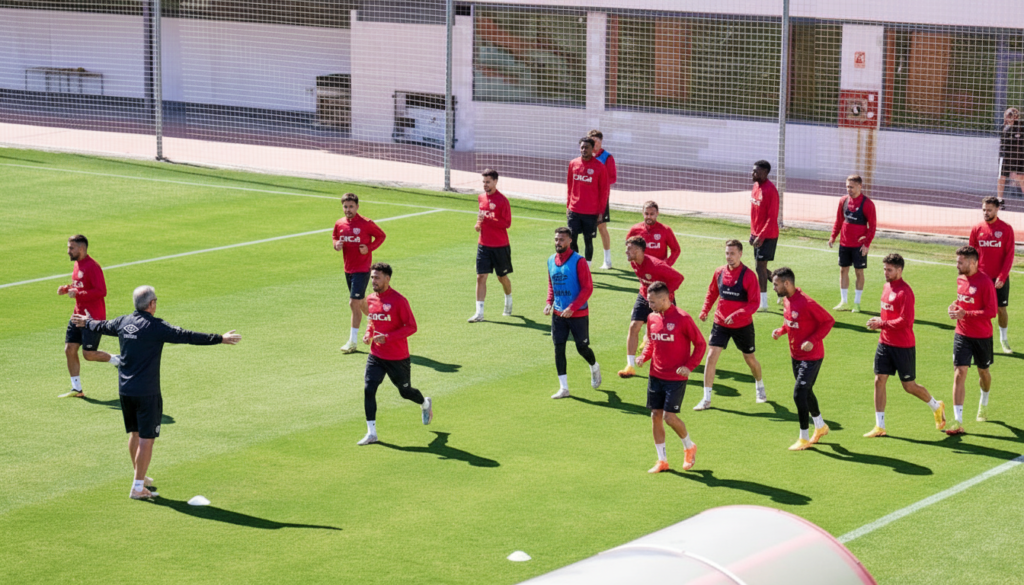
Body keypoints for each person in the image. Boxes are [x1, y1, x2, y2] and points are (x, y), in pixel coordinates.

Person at [70, 285, 241, 499]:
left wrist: (86, 322)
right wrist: (220, 338)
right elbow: (186, 335)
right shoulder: (155, 327)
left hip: (125, 390)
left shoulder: (123, 322)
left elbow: (101, 325)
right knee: (147, 438)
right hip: (147, 392)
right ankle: (138, 487)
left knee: (134, 434)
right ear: (151, 304)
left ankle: (138, 477)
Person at [863, 254, 946, 437]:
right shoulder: (886, 287)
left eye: (889, 270)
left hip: (903, 346)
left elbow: (906, 321)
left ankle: (936, 406)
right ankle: (880, 426)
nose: (886, 273)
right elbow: (888, 314)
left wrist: (881, 324)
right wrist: (880, 320)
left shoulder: (905, 292)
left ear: (899, 271)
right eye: (884, 269)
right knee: (879, 380)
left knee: (909, 386)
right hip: (884, 343)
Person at [358, 262, 433, 445]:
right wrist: (368, 334)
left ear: (387, 279)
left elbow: (412, 327)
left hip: (397, 357)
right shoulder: (370, 299)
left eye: (377, 277)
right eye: (372, 277)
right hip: (376, 355)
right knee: (369, 389)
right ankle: (371, 433)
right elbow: (372, 321)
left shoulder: (399, 301)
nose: (373, 280)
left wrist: (388, 337)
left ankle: (425, 403)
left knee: (405, 392)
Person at [637, 281, 705, 473]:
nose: (649, 305)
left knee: (669, 417)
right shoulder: (651, 318)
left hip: (675, 378)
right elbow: (651, 342)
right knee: (655, 415)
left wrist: (689, 367)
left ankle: (689, 446)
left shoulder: (683, 318)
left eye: (652, 301)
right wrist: (644, 356)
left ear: (665, 299)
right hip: (655, 375)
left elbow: (700, 344)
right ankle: (662, 460)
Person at [695, 239, 765, 411]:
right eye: (727, 253)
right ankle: (706, 399)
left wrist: (738, 314)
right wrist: (705, 311)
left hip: (742, 325)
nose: (729, 257)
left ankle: (759, 385)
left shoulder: (749, 276)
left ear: (741, 254)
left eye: (733, 253)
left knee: (750, 359)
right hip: (720, 323)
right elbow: (712, 293)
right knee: (710, 357)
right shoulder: (719, 272)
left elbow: (754, 303)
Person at [771, 267, 835, 451]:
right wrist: (781, 331)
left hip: (812, 357)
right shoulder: (786, 300)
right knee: (806, 392)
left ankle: (804, 437)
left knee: (799, 393)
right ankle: (821, 426)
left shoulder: (806, 302)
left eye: (776, 284)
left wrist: (813, 340)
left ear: (787, 283)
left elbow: (828, 321)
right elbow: (789, 321)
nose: (774, 287)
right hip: (796, 356)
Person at [58, 234, 121, 399]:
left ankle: (119, 360)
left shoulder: (93, 267)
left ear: (81, 248)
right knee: (69, 349)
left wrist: (77, 292)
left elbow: (101, 291)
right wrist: (66, 288)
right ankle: (76, 389)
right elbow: (79, 285)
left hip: (92, 318)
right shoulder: (78, 264)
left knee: (88, 354)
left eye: (71, 248)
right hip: (77, 314)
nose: (68, 251)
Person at [946, 246, 997, 434]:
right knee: (959, 373)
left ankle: (984, 401)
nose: (957, 265)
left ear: (973, 262)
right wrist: (954, 307)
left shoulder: (985, 283)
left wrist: (965, 313)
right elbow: (962, 301)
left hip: (982, 336)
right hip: (962, 334)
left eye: (960, 262)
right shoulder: (960, 279)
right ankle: (957, 421)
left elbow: (991, 311)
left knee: (983, 372)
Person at [546, 227, 601, 398]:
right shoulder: (550, 261)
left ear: (570, 241)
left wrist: (573, 307)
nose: (558, 242)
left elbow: (587, 288)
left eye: (562, 239)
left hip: (578, 314)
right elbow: (551, 285)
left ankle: (594, 366)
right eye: (556, 239)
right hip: (558, 314)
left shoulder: (579, 261)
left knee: (581, 347)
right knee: (558, 347)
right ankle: (564, 388)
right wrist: (549, 302)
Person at [619, 236, 684, 379]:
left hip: (662, 301)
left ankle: (672, 364)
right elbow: (644, 280)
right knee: (633, 326)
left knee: (668, 334)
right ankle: (630, 366)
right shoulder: (634, 262)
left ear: (638, 250)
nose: (626, 252)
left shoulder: (656, 265)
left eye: (629, 249)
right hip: (644, 296)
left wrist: (664, 296)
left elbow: (679, 278)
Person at [333, 193, 386, 353]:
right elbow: (335, 236)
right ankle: (380, 327)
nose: (348, 210)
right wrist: (336, 245)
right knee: (361, 303)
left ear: (357, 206)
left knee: (353, 303)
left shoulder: (366, 223)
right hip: (348, 269)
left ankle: (352, 342)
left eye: (351, 206)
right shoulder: (340, 223)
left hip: (362, 270)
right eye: (345, 207)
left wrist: (368, 248)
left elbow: (381, 236)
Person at [969, 196, 1015, 354]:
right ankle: (981, 342)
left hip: (999, 278)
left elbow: (1009, 255)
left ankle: (1004, 340)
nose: (985, 213)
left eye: (989, 210)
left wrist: (1002, 277)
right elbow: (971, 254)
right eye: (983, 210)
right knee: (980, 310)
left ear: (997, 209)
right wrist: (972, 275)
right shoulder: (977, 229)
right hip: (981, 279)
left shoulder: (1006, 229)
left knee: (1001, 309)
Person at [468, 169, 514, 322]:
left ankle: (508, 299)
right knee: (481, 277)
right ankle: (479, 313)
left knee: (502, 277)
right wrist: (478, 224)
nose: (485, 185)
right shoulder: (481, 198)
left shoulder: (503, 201)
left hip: (500, 246)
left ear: (495, 181)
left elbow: (507, 223)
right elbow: (481, 216)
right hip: (483, 245)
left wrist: (488, 221)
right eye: (483, 182)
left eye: (488, 182)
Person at [829, 175, 876, 313]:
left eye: (852, 187)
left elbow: (872, 227)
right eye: (847, 187)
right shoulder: (843, 201)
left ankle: (857, 303)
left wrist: (866, 244)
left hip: (858, 246)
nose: (849, 189)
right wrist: (833, 237)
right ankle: (843, 301)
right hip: (844, 244)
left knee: (859, 272)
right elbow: (838, 221)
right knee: (843, 270)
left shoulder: (867, 204)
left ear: (860, 186)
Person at [566, 137, 610, 264]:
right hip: (574, 210)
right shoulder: (573, 164)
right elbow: (570, 187)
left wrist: (601, 212)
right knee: (572, 239)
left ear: (592, 149)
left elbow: (603, 192)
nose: (584, 150)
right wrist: (568, 206)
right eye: (582, 147)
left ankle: (588, 267)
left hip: (591, 212)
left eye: (587, 147)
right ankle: (576, 263)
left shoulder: (600, 167)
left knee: (588, 240)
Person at [749, 160, 780, 312]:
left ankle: (763, 303)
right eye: (753, 170)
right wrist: (752, 232)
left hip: (768, 235)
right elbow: (754, 213)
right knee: (760, 267)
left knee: (760, 267)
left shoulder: (771, 190)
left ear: (765, 173)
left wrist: (760, 236)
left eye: (756, 172)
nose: (753, 174)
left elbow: (772, 217)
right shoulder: (755, 187)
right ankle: (783, 287)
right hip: (757, 234)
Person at [589, 129, 618, 270]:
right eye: (592, 141)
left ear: (601, 142)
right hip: (586, 199)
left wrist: (598, 182)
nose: (595, 144)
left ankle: (608, 260)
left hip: (600, 198)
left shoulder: (607, 157)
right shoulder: (585, 155)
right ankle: (586, 262)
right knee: (585, 230)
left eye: (597, 141)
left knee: (601, 228)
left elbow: (613, 178)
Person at [625, 201, 681, 266]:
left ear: (657, 213)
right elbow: (629, 248)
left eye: (652, 214)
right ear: (643, 213)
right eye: (646, 213)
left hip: (659, 270)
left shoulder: (665, 230)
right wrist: (635, 265)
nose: (649, 216)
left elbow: (676, 250)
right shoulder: (635, 230)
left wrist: (666, 265)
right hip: (642, 269)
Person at [997, 107, 1024, 200]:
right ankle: (999, 199)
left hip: (1018, 156)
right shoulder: (1004, 127)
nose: (1010, 117)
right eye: (1008, 115)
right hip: (1005, 156)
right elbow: (1003, 144)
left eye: (1013, 115)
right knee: (1001, 177)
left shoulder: (1020, 127)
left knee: (1020, 177)